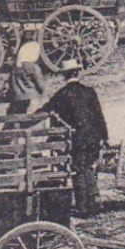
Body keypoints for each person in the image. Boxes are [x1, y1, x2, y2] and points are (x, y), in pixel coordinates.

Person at [41, 59, 109, 217]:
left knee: (78, 170)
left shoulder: (62, 94)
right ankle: (94, 203)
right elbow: (99, 115)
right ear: (77, 73)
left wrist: (31, 117)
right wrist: (104, 137)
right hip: (93, 136)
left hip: (77, 138)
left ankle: (83, 207)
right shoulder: (89, 91)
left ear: (64, 75)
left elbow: (46, 109)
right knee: (89, 168)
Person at [5, 41, 54, 115]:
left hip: (17, 99)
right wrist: (44, 93)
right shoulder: (33, 67)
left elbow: (11, 84)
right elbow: (39, 83)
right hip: (32, 99)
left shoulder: (15, 67)